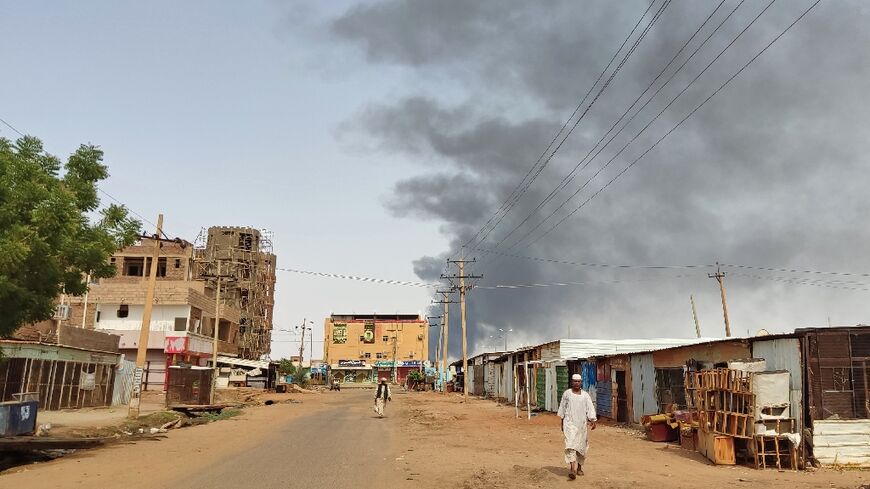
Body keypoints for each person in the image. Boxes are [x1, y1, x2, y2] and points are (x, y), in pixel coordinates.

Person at [557, 373, 597, 480]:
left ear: (581, 383)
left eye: (578, 381)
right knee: (570, 445)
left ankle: (579, 468)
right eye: (575, 381)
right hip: (569, 424)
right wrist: (562, 422)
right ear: (572, 382)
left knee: (581, 447)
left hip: (581, 425)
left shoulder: (585, 395)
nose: (576, 383)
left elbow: (590, 408)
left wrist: (593, 420)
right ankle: (572, 469)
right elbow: (562, 408)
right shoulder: (567, 394)